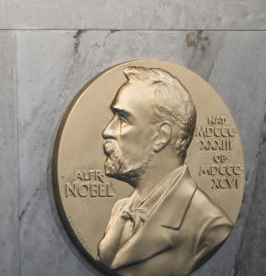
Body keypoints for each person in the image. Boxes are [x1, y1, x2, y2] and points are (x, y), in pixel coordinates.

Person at [97, 66, 233, 276]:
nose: (107, 131)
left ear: (161, 136)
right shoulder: (121, 210)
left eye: (122, 119)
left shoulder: (210, 229)